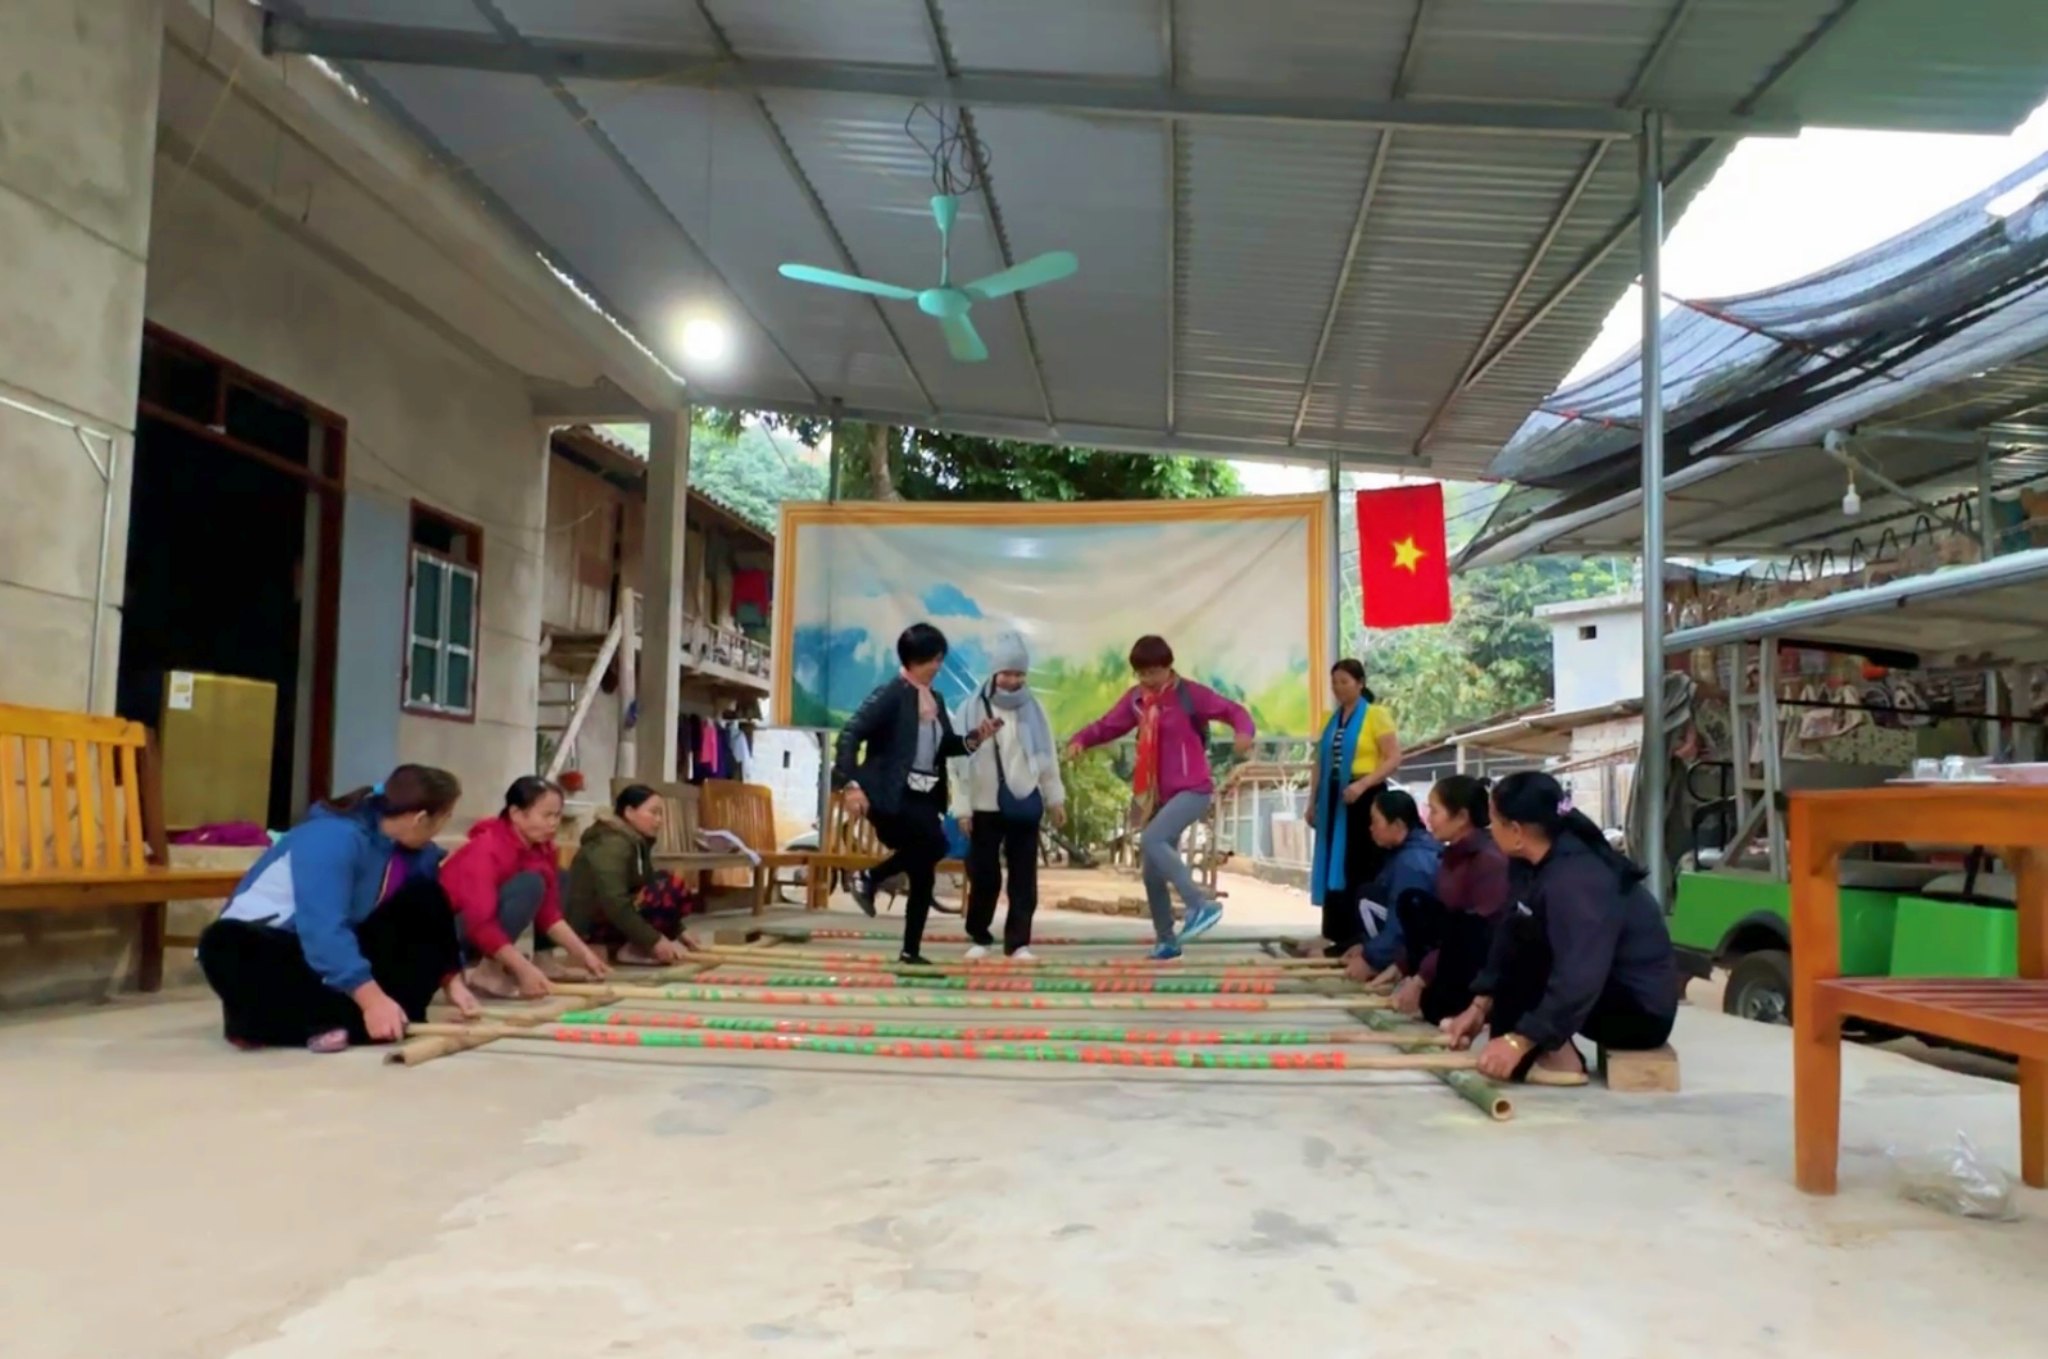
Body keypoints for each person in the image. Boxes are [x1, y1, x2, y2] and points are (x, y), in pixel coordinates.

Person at [197, 765, 476, 1051]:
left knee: (425, 896)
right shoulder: (331, 837)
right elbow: (321, 929)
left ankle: (334, 1022)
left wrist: (451, 978)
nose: (445, 826)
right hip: (281, 948)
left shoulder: (406, 848)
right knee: (222, 943)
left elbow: (430, 916)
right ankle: (339, 1022)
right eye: (446, 817)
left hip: (331, 963)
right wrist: (371, 1000)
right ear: (420, 819)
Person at [1440, 771, 1679, 1085]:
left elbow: (1580, 973)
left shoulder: (1576, 878)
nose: (1489, 829)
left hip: (1638, 1013)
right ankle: (1547, 1047)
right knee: (1512, 932)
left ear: (1515, 830)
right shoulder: (1529, 861)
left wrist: (1521, 1040)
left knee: (1530, 948)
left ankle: (1558, 1057)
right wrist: (1479, 1006)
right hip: (1600, 986)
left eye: (1493, 821)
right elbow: (1509, 930)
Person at [1068, 635, 1255, 960]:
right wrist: (1081, 740)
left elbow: (1233, 710)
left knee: (1153, 838)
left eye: (1153, 672)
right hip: (1156, 796)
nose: (1147, 680)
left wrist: (1244, 733)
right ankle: (1166, 940)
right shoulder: (1137, 701)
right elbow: (1107, 726)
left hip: (1193, 788)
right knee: (1152, 869)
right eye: (1141, 674)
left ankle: (1199, 905)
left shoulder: (1189, 695)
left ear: (1168, 667)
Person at [835, 622, 1001, 966]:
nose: (937, 667)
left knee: (924, 872)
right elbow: (851, 734)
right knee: (935, 845)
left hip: (925, 796)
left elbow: (946, 747)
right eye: (932, 660)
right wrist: (850, 785)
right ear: (913, 660)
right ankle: (872, 876)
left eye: (940, 659)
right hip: (892, 794)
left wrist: (975, 738)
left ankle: (910, 950)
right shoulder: (891, 694)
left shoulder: (936, 701)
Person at [950, 631, 1067, 961]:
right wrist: (962, 810)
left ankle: (1019, 942)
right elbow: (957, 764)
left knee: (1023, 877)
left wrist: (1055, 798)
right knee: (984, 875)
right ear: (994, 672)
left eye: (1018, 674)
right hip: (983, 806)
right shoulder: (971, 708)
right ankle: (980, 936)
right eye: (1006, 673)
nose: (1012, 680)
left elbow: (1047, 758)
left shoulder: (1035, 710)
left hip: (1023, 803)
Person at [441, 776, 610, 998]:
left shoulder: (544, 848)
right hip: (445, 936)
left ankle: (532, 962)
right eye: (547, 815)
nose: (554, 823)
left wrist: (584, 955)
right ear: (516, 814)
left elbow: (548, 914)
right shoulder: (486, 849)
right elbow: (479, 923)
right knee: (530, 884)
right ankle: (488, 972)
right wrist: (523, 968)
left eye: (557, 815)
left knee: (559, 878)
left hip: (480, 932)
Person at [1385, 775, 1513, 1023]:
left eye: (1434, 810)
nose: (1428, 818)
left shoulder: (1488, 861)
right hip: (1452, 950)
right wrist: (1401, 967)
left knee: (1465, 925)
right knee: (1413, 902)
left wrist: (1422, 978)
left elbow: (1477, 932)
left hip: (1482, 959)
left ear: (1462, 817)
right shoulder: (1451, 854)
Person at [1306, 659, 1402, 956]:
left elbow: (1393, 757)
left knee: (1360, 863)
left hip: (1366, 793)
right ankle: (1332, 932)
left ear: (1360, 683)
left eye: (1345, 681)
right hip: (1335, 794)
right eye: (1335, 682)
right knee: (1332, 861)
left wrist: (1362, 785)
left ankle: (1359, 936)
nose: (1338, 688)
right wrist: (1313, 801)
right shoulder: (1330, 719)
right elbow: (1320, 763)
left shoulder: (1376, 715)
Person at [564, 784, 703, 966]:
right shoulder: (611, 843)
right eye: (653, 813)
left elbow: (642, 888)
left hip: (608, 916)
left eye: (660, 814)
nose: (659, 820)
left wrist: (679, 931)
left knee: (665, 885)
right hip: (591, 925)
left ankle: (630, 946)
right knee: (668, 887)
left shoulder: (634, 840)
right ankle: (630, 948)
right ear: (629, 812)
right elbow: (614, 901)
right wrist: (654, 940)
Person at [1343, 788, 1440, 982]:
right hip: (1423, 942)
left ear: (1397, 825)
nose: (1371, 828)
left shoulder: (1411, 862)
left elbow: (1399, 923)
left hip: (1422, 946)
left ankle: (1385, 966)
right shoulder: (1412, 851)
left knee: (1367, 898)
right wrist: (1365, 947)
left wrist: (1370, 958)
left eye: (1375, 821)